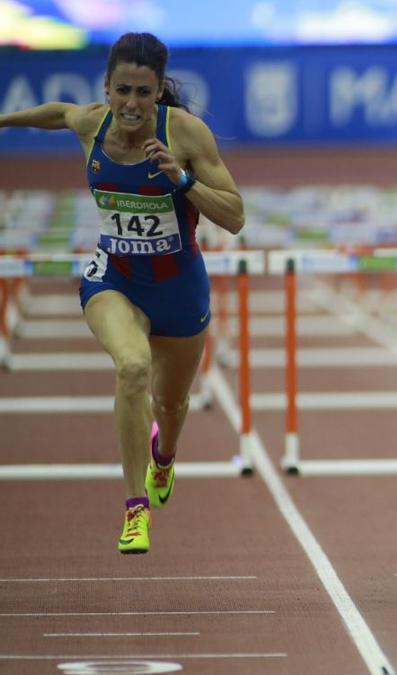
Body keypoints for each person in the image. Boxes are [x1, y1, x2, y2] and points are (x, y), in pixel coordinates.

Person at [0, 33, 245, 554]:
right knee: (132, 367)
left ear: (159, 93)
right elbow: (58, 113)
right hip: (114, 277)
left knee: (172, 404)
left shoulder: (187, 135)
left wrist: (182, 181)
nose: (132, 104)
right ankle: (135, 511)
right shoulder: (94, 123)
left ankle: (165, 457)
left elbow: (235, 217)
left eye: (143, 92)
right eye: (122, 91)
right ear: (107, 89)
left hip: (179, 289)